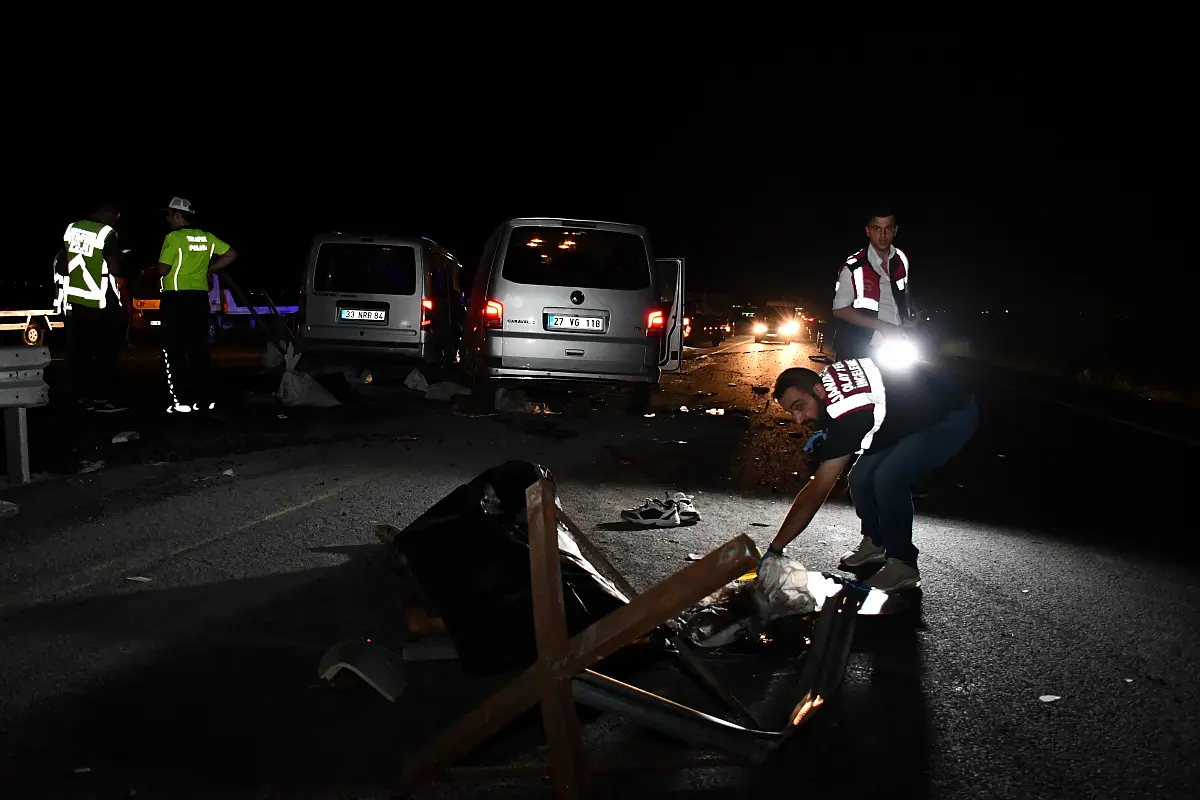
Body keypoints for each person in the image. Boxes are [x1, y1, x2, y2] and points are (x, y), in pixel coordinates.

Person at [761, 358, 978, 591]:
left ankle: (903, 563)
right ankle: (875, 543)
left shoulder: (847, 415)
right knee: (860, 477)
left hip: (949, 415)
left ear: (818, 390)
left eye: (799, 406)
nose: (799, 419)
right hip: (905, 415)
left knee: (889, 477)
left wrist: (775, 548)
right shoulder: (825, 382)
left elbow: (817, 490)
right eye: (792, 412)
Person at [156, 197, 237, 413]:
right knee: (199, 348)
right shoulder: (207, 237)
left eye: (169, 214)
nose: (167, 219)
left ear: (178, 215)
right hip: (199, 298)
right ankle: (203, 399)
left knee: (174, 349)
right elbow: (231, 254)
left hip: (175, 297)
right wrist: (209, 269)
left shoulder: (174, 237)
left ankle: (181, 401)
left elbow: (163, 269)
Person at [54, 203, 128, 413]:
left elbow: (63, 266)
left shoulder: (72, 228)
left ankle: (82, 398)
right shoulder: (106, 233)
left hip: (78, 301)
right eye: (115, 217)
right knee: (106, 354)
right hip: (101, 302)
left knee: (81, 354)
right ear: (108, 213)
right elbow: (114, 268)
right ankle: (103, 400)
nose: (115, 222)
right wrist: (121, 258)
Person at [830, 211, 918, 362]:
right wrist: (882, 326)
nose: (883, 235)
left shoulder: (901, 259)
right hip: (859, 349)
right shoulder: (853, 267)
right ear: (868, 231)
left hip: (896, 349)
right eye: (877, 229)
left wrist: (912, 312)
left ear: (895, 230)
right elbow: (839, 309)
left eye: (888, 229)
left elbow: (904, 293)